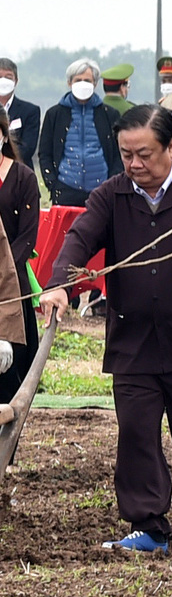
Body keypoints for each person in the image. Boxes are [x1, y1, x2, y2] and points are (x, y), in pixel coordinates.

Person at [43, 105, 172, 554]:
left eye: (145, 154)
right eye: (126, 155)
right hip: (134, 343)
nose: (135, 164)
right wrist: (60, 285)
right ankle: (149, 525)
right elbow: (79, 239)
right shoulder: (110, 197)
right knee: (136, 434)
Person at [39, 58, 121, 207]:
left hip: (102, 189)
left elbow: (118, 154)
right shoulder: (55, 114)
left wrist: (112, 183)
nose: (83, 84)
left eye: (87, 80)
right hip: (66, 188)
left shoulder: (109, 114)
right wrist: (52, 184)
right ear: (69, 83)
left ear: (95, 84)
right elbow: (45, 153)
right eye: (78, 80)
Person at [0, 124, 39, 403]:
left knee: (12, 374)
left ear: (2, 135)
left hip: (14, 285)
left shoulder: (23, 177)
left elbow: (27, 237)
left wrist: (4, 269)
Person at [0, 58, 43, 172]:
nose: (3, 81)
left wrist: (5, 163)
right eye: (0, 76)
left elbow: (27, 148)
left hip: (19, 173)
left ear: (16, 81)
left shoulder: (30, 111)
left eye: (8, 77)